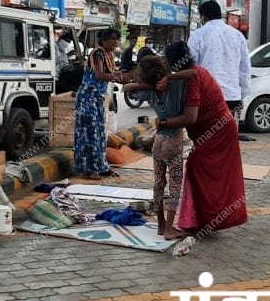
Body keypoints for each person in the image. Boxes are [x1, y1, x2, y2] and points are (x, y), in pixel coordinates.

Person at [155, 41, 248, 235]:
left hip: (219, 132)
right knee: (198, 174)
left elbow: (191, 117)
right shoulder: (188, 75)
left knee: (199, 171)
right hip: (206, 133)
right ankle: (203, 220)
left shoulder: (194, 77)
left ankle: (205, 219)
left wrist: (163, 123)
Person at [124, 56, 187, 240]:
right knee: (175, 185)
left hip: (158, 141)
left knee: (159, 183)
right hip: (173, 141)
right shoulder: (176, 85)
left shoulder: (150, 92)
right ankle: (169, 228)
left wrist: (148, 85)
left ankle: (160, 224)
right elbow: (195, 73)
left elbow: (128, 88)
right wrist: (171, 77)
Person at [187, 0, 251, 123]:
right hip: (232, 96)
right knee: (225, 135)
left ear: (203, 17)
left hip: (206, 95)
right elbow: (245, 68)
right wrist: (241, 95)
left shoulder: (198, 35)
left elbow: (191, 65)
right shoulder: (237, 35)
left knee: (205, 135)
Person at [74, 28, 124, 180]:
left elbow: (110, 74)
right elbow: (100, 75)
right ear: (103, 40)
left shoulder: (109, 55)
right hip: (88, 98)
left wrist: (124, 75)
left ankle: (101, 166)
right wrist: (120, 77)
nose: (115, 42)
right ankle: (89, 169)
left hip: (98, 98)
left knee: (101, 133)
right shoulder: (97, 53)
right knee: (88, 134)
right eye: (112, 39)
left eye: (116, 39)